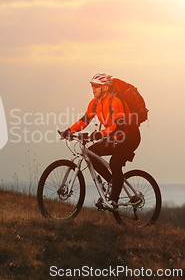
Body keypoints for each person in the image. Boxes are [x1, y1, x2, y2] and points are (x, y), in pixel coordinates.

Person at [60, 72, 141, 214]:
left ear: (105, 87)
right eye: (92, 86)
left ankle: (114, 201)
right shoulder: (95, 103)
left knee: (115, 162)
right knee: (91, 153)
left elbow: (118, 126)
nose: (93, 88)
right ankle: (113, 181)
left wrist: (99, 134)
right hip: (114, 137)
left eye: (96, 86)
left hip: (129, 137)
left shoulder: (115, 101)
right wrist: (69, 131)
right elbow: (84, 120)